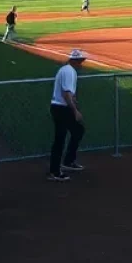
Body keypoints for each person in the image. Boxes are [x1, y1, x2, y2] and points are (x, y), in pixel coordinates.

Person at [48, 49, 87, 181]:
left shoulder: (67, 70)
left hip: (61, 107)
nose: (82, 63)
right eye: (81, 61)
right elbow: (66, 94)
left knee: (78, 130)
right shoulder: (69, 71)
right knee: (61, 138)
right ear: (75, 61)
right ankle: (55, 171)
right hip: (61, 108)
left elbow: (70, 93)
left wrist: (75, 104)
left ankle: (68, 161)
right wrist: (75, 111)